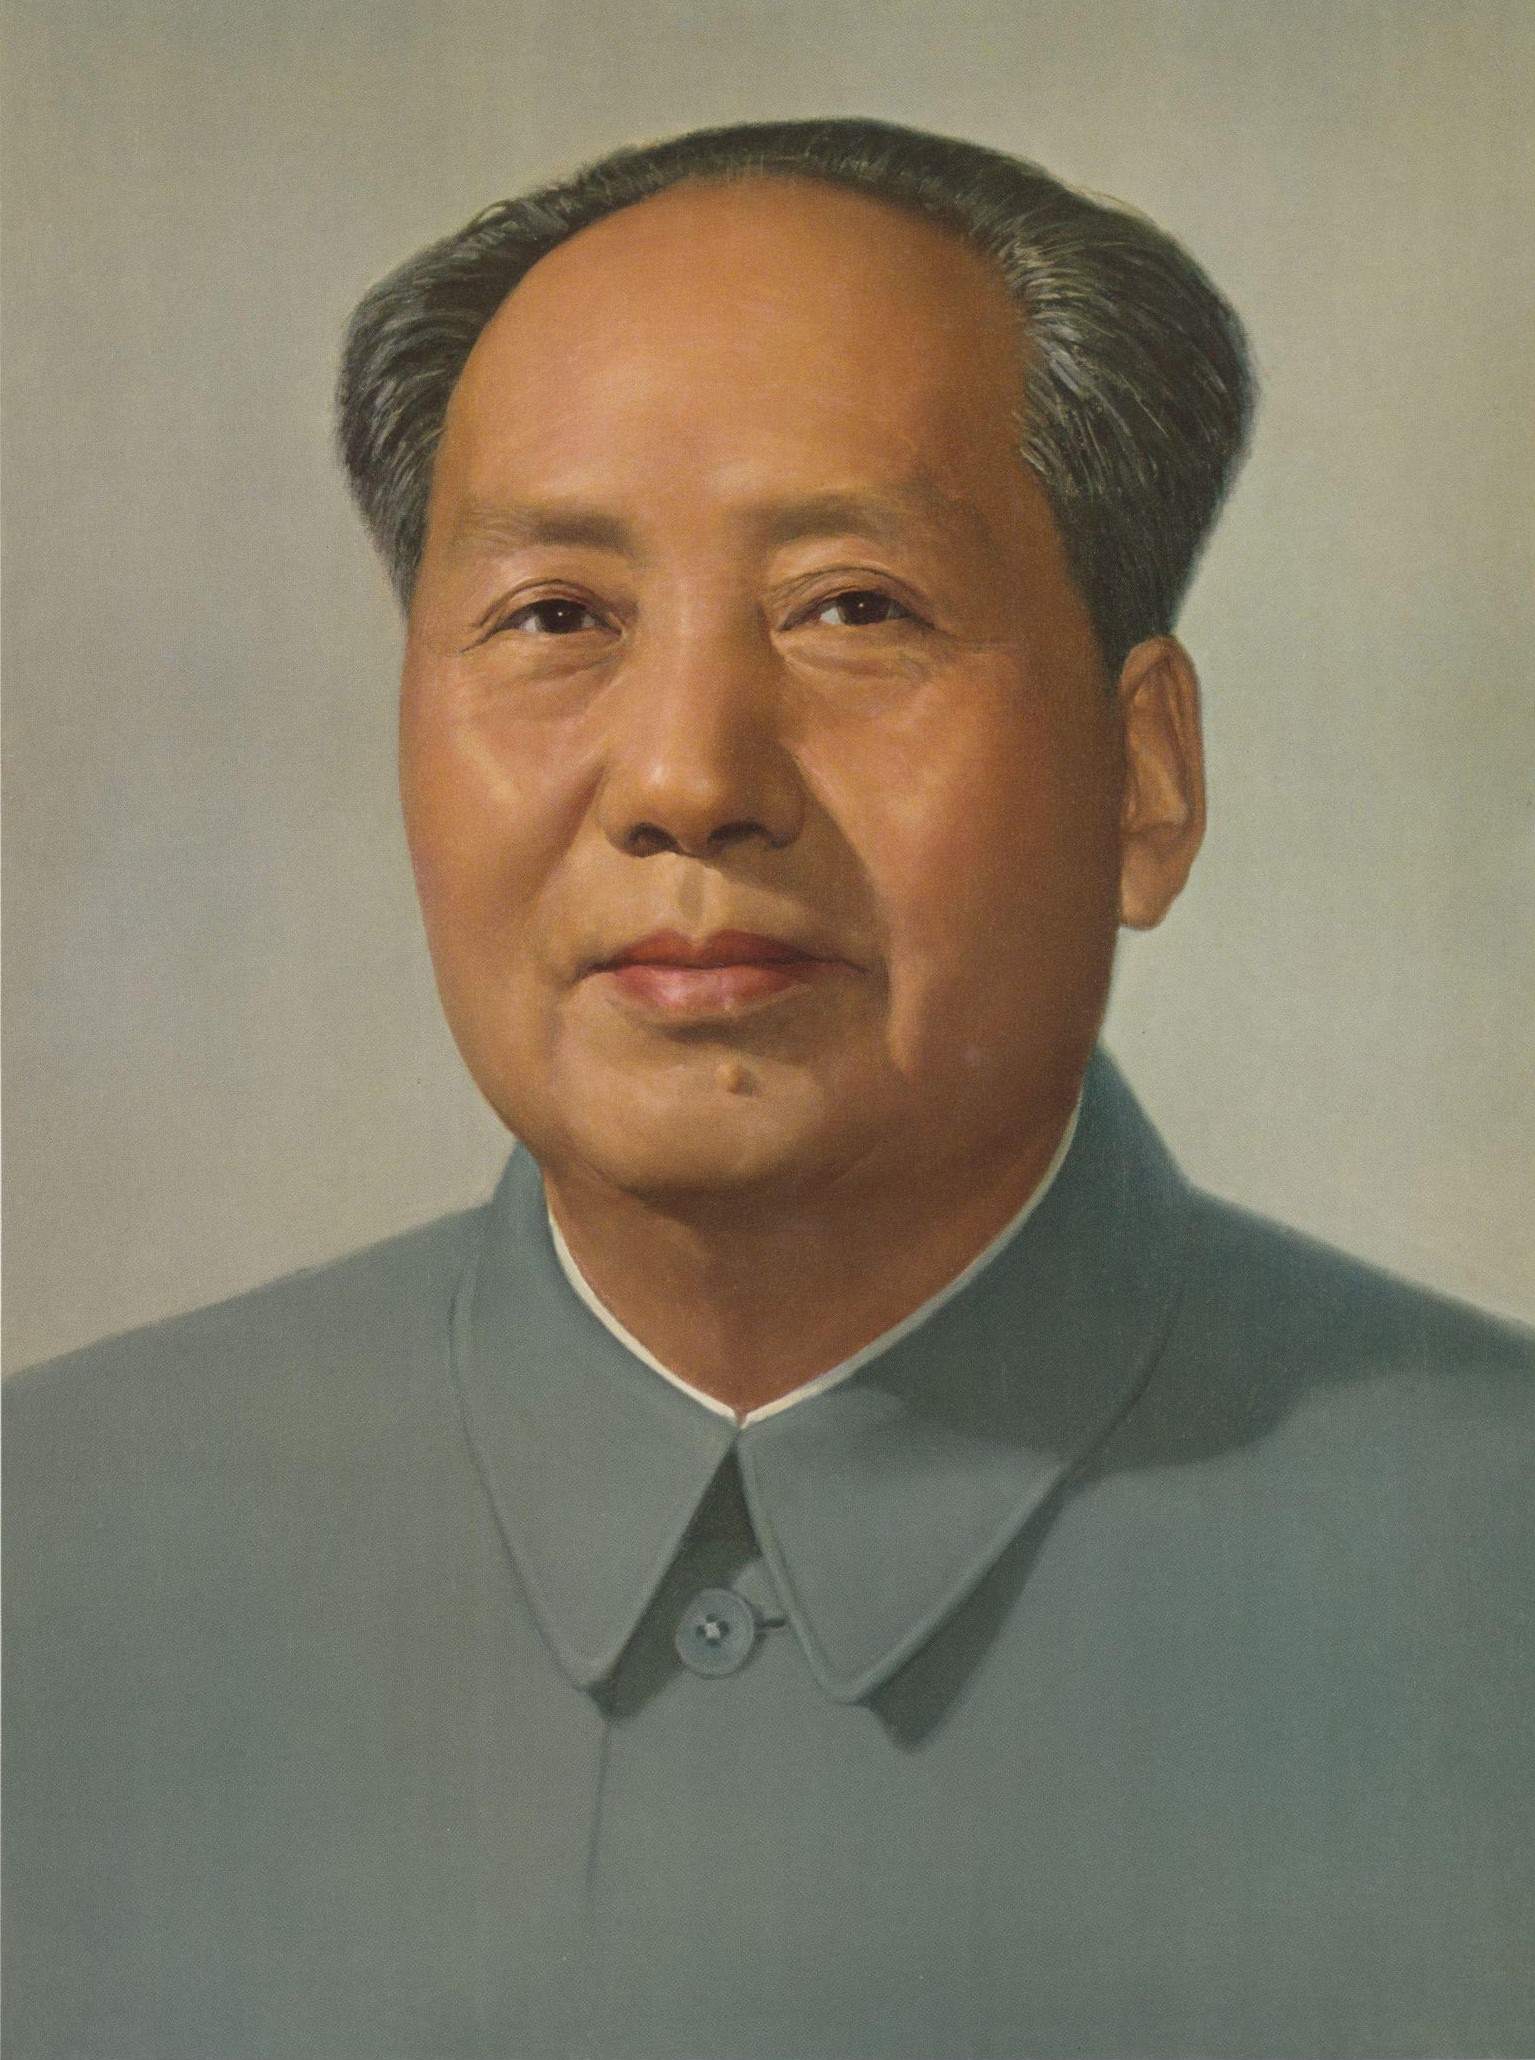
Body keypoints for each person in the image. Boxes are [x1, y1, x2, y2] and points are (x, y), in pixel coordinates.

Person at [5, 118, 1531, 2060]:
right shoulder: (51, 1553)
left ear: (1145, 777)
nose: (685, 777)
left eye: (854, 607)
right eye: (558, 618)